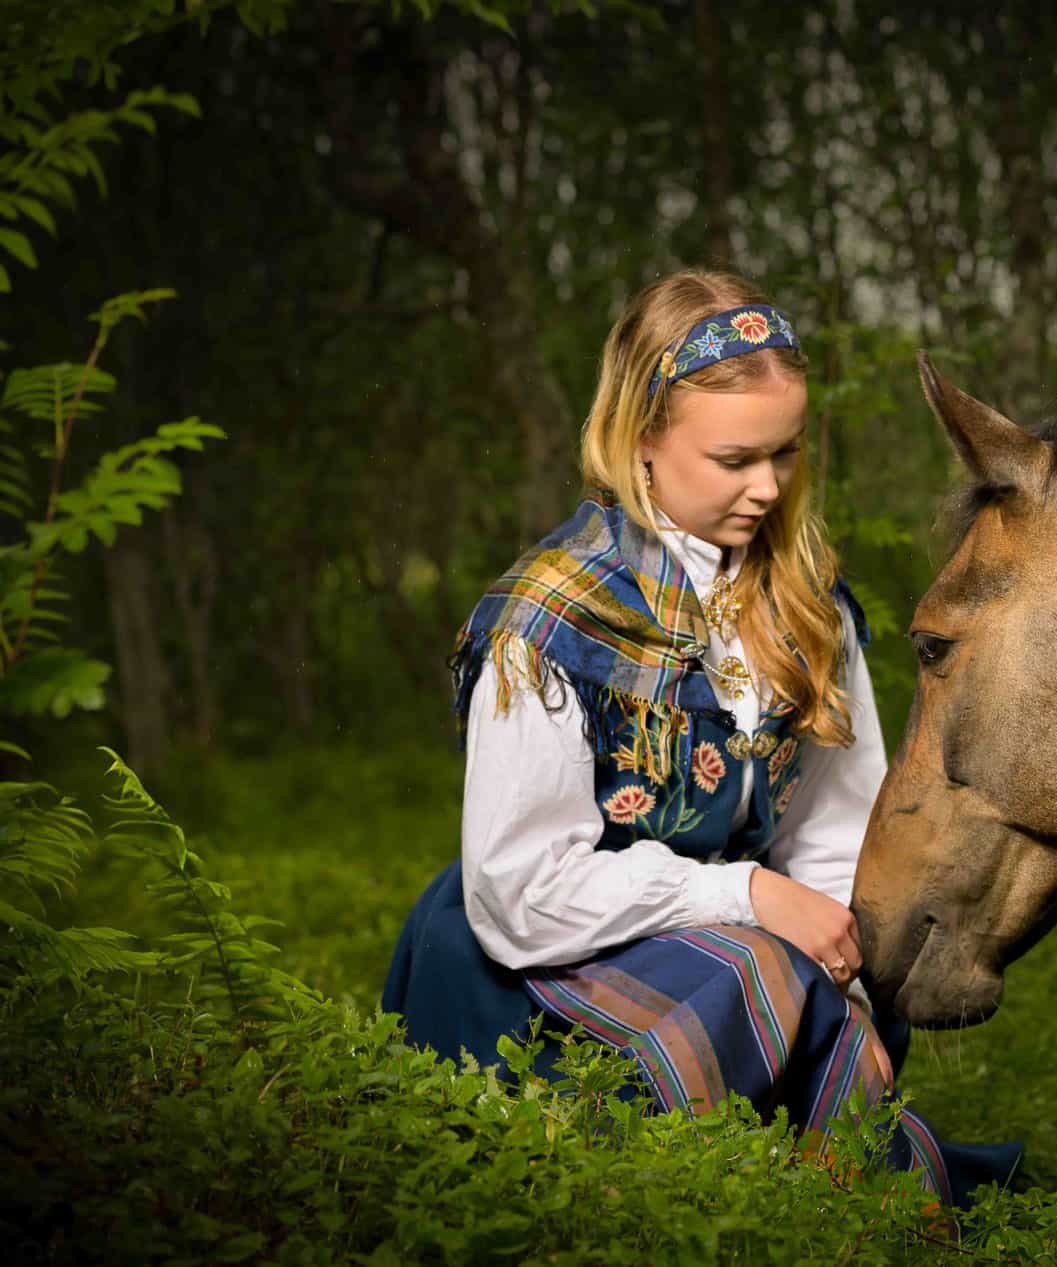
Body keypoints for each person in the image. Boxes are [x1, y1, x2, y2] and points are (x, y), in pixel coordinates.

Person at [381, 268, 1018, 1207]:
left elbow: (837, 835)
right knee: (755, 968)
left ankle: (812, 1174)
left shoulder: (808, 607)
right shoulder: (550, 618)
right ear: (642, 439)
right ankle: (642, 1182)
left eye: (787, 453)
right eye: (733, 459)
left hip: (725, 937)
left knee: (819, 963)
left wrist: (845, 982)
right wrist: (749, 893)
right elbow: (521, 891)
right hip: (544, 954)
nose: (767, 487)